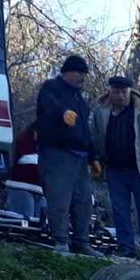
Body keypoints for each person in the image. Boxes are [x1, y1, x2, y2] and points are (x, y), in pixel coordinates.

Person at [91, 75, 140, 260]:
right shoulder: (100, 112)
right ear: (110, 92)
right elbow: (94, 138)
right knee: (120, 211)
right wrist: (95, 161)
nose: (120, 96)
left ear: (130, 92)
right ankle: (126, 247)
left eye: (124, 92)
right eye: (116, 92)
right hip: (114, 170)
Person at [35, 54, 101, 256]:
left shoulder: (81, 99)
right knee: (59, 199)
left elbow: (85, 131)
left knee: (83, 202)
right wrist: (62, 113)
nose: (83, 77)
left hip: (80, 158)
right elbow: (49, 104)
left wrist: (93, 157)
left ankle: (82, 242)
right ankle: (61, 241)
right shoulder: (51, 87)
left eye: (85, 74)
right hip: (57, 154)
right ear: (67, 72)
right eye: (79, 73)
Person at [4, 126, 45, 222]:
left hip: (39, 191)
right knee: (23, 223)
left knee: (39, 224)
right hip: (22, 187)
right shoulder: (28, 137)